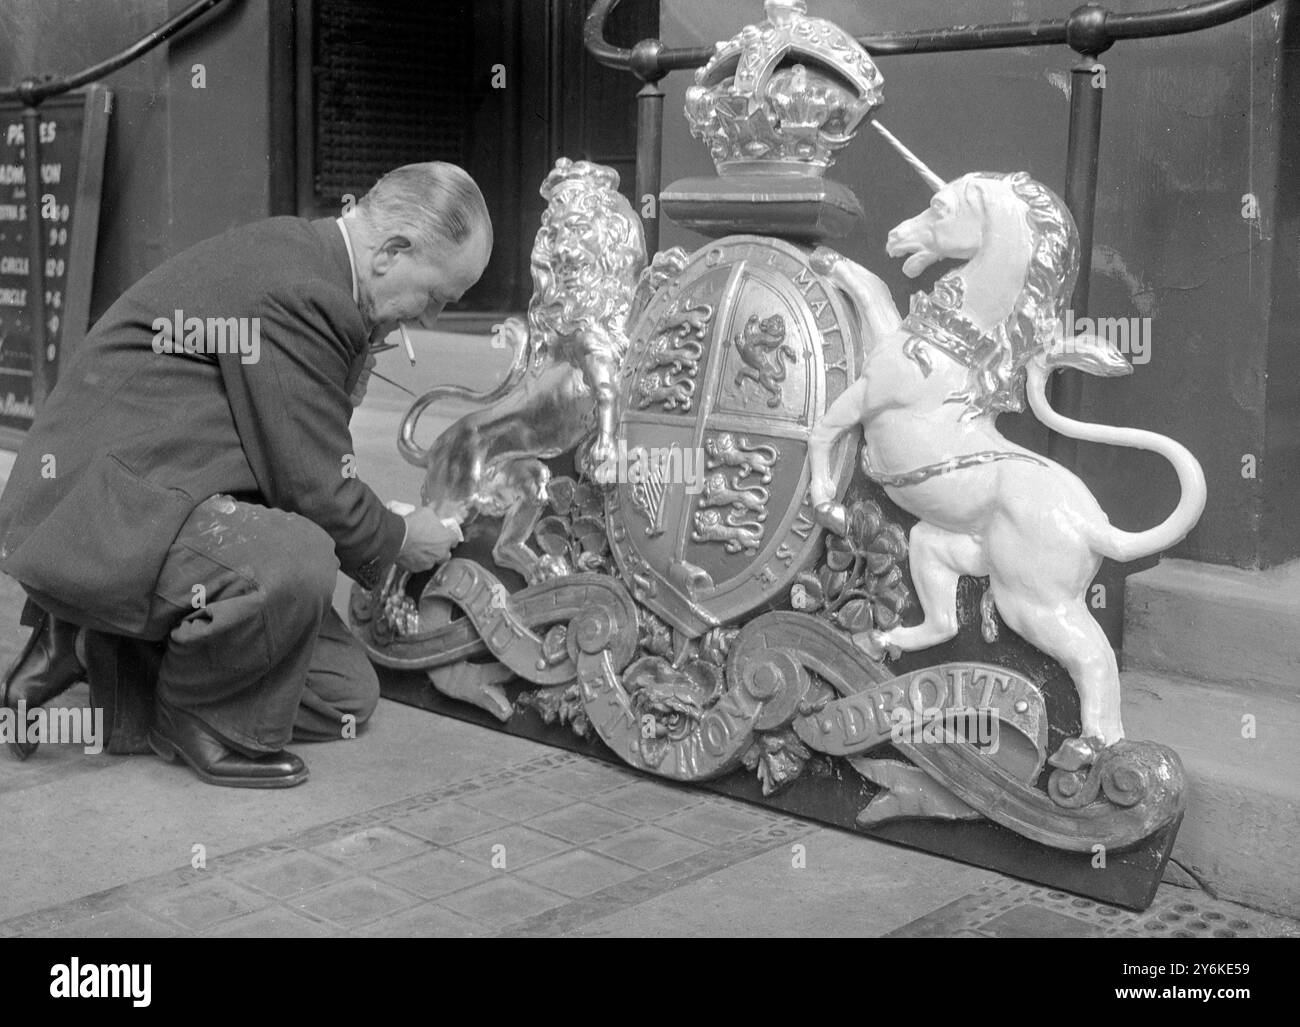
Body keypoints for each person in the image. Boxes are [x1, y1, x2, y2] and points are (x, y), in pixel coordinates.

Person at [0, 162, 487, 787]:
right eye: (438, 295)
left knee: (345, 693)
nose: (432, 318)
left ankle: (98, 640)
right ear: (393, 251)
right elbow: (312, 488)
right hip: (96, 506)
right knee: (297, 559)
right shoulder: (304, 291)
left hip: (152, 492)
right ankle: (198, 721)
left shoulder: (311, 262)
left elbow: (294, 452)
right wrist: (398, 540)